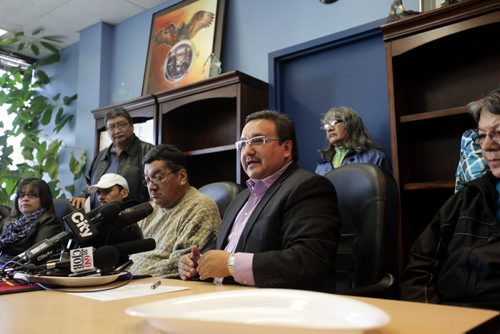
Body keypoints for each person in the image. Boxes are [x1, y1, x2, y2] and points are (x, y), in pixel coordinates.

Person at [178, 110, 340, 292]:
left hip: (274, 307)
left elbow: (309, 260)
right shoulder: (240, 198)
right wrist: (196, 262)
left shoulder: (308, 186)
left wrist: (231, 264)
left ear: (286, 148)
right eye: (243, 144)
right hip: (220, 297)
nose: (247, 150)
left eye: (257, 141)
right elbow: (222, 248)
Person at [400, 87, 500, 310]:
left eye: (498, 132)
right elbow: (420, 264)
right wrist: (429, 315)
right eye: (482, 136)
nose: (487, 145)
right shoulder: (467, 197)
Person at [128, 144, 221, 278]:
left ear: (182, 177)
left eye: (158, 178)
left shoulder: (201, 207)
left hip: (164, 287)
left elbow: (181, 265)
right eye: (148, 180)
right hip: (132, 284)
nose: (151, 187)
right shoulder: (150, 209)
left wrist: (130, 274)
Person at [70, 107, 154, 210]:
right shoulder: (100, 156)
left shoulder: (149, 151)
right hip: (99, 220)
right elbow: (91, 185)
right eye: (111, 127)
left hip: (136, 219)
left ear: (132, 126)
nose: (117, 130)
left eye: (122, 125)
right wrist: (83, 196)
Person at [0, 178, 62, 264]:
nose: (25, 199)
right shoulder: (9, 221)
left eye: (32, 195)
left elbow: (36, 255)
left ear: (44, 199)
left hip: (19, 269)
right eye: (21, 195)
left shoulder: (49, 221)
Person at [315, 106, 391, 176]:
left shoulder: (374, 158)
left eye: (334, 122)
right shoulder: (322, 164)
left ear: (351, 124)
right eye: (327, 125)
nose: (329, 129)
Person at [86, 173, 144, 247]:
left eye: (107, 191)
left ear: (124, 193)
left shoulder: (135, 220)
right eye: (98, 193)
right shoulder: (96, 219)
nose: (100, 197)